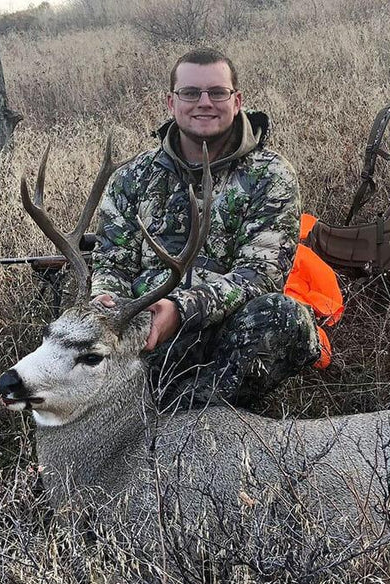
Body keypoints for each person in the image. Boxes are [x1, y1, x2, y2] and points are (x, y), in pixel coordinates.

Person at [91, 48, 321, 408]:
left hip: (226, 331)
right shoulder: (132, 178)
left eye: (217, 92)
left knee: (283, 316)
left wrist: (181, 310)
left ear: (237, 100)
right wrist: (109, 305)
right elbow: (111, 264)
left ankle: (191, 413)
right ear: (171, 101)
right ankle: (141, 406)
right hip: (147, 328)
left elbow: (260, 275)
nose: (204, 103)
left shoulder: (270, 175)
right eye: (190, 93)